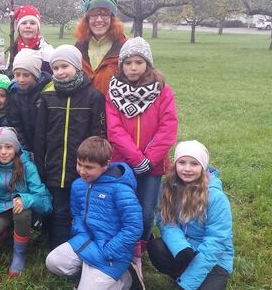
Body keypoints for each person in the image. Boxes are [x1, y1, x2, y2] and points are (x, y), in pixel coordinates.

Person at [105, 36, 178, 275]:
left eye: (138, 62)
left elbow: (168, 127)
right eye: (128, 63)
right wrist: (137, 159)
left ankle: (138, 252)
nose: (133, 67)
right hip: (123, 164)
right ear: (121, 65)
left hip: (153, 167)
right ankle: (121, 247)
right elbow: (114, 129)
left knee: (146, 212)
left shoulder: (162, 91)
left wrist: (149, 159)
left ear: (148, 63)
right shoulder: (113, 91)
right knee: (122, 208)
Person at [46, 136, 143, 290]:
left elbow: (134, 227)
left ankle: (126, 278)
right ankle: (90, 271)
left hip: (111, 251)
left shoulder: (121, 189)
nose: (82, 171)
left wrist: (109, 250)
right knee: (53, 262)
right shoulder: (78, 185)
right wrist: (81, 234)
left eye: (89, 167)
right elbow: (77, 214)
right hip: (86, 242)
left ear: (105, 165)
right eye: (79, 164)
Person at [34, 44, 106, 250]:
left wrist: (95, 164)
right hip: (55, 166)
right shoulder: (48, 97)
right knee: (59, 210)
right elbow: (40, 136)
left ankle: (83, 247)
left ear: (77, 66)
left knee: (81, 209)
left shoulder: (93, 97)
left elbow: (99, 134)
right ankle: (58, 249)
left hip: (82, 168)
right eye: (55, 68)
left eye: (65, 66)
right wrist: (41, 164)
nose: (60, 72)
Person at [148, 141, 234, 290]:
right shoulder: (168, 188)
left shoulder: (216, 198)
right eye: (182, 162)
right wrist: (181, 248)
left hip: (214, 259)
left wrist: (187, 284)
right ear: (175, 164)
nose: (187, 169)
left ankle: (188, 278)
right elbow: (165, 222)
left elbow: (215, 242)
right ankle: (180, 273)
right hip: (187, 249)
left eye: (194, 164)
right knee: (156, 247)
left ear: (203, 166)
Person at [0, 127, 52, 277]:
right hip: (0, 210)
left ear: (15, 148)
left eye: (8, 147)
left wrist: (26, 199)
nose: (3, 152)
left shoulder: (28, 166)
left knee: (21, 211)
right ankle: (7, 232)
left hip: (23, 211)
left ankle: (19, 253)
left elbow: (45, 202)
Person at [74, 0, 127, 96]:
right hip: (84, 110)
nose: (99, 19)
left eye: (104, 14)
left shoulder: (125, 47)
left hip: (113, 110)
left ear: (112, 19)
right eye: (93, 14)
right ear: (87, 19)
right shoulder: (78, 47)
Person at [8, 48, 52, 152]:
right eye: (17, 75)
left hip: (48, 146)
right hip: (26, 146)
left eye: (26, 75)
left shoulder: (48, 91)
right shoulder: (14, 94)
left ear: (35, 75)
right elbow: (16, 125)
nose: (21, 79)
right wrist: (26, 150)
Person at [12, 5, 54, 74]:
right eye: (24, 23)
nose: (28, 26)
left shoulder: (46, 51)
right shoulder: (14, 49)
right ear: (18, 27)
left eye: (32, 23)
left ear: (38, 27)